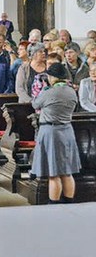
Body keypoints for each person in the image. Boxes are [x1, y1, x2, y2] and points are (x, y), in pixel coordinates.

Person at [31, 62, 81, 204]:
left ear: (52, 77)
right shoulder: (71, 91)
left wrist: (45, 88)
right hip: (67, 130)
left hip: (50, 131)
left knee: (54, 173)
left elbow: (35, 104)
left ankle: (53, 204)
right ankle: (69, 202)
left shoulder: (49, 91)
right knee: (66, 171)